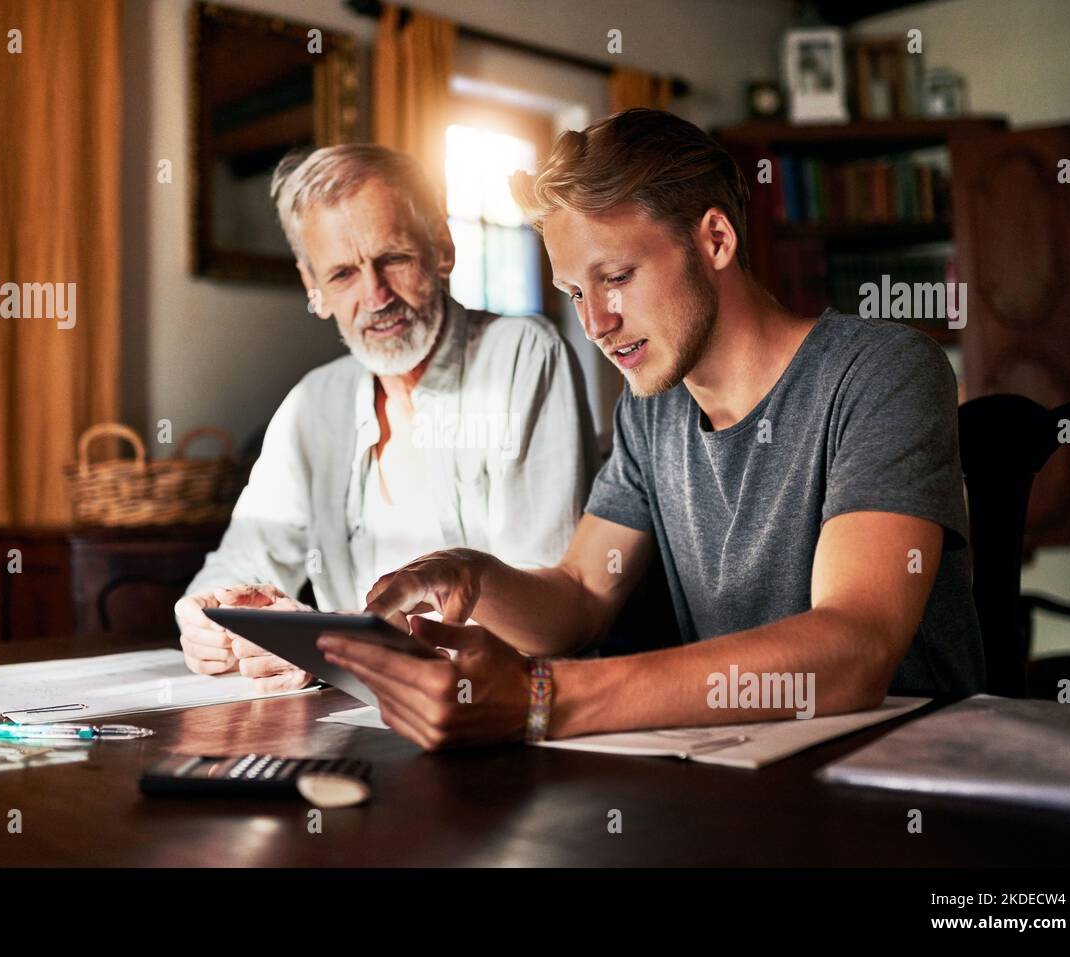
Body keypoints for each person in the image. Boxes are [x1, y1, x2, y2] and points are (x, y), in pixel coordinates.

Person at [326, 109, 985, 749]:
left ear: (716, 240)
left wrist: (542, 696)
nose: (595, 324)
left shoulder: (884, 372)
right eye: (575, 292)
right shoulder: (650, 409)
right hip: (746, 776)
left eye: (615, 277)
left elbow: (855, 647)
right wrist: (472, 573)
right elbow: (581, 594)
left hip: (904, 781)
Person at [177, 144, 598, 692]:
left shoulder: (523, 355)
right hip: (357, 723)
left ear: (442, 248)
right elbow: (236, 567)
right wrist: (209, 619)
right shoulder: (312, 404)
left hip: (501, 717)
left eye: (393, 258)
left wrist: (333, 646)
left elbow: (547, 623)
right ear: (314, 288)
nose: (375, 296)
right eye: (344, 273)